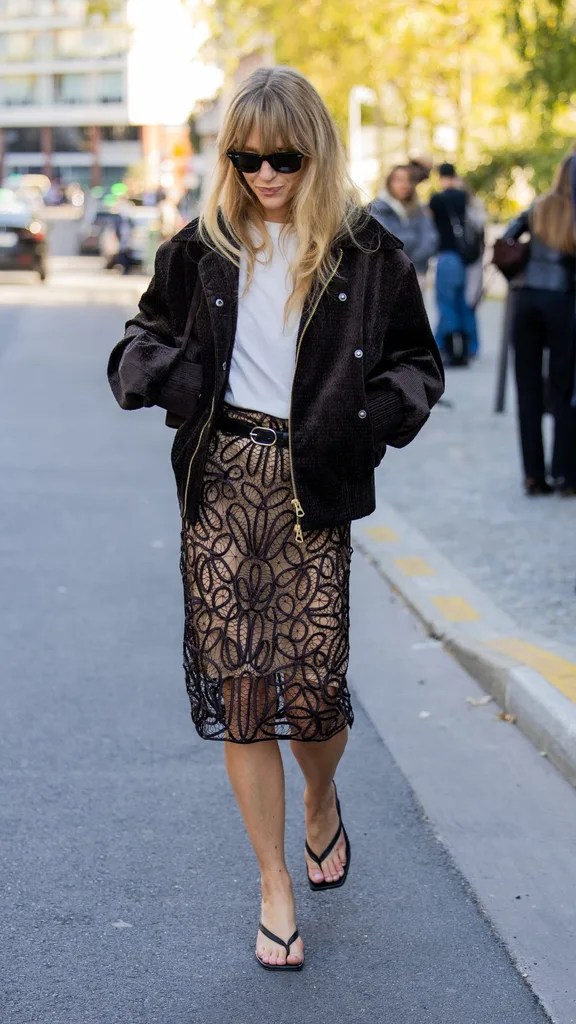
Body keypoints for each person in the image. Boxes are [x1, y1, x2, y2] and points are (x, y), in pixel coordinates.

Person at [107, 66, 444, 971]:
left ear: (316, 152)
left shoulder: (368, 255)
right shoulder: (200, 248)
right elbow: (140, 341)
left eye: (284, 158)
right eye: (247, 158)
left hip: (313, 487)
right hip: (221, 483)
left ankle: (321, 798)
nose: (264, 176)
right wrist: (175, 384)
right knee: (246, 695)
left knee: (313, 694)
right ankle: (272, 885)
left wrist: (358, 424)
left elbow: (418, 366)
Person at [502, 154, 576, 496]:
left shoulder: (540, 206)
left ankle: (533, 476)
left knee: (527, 389)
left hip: (526, 299)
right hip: (563, 302)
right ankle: (564, 473)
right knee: (564, 389)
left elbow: (508, 237)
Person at [429, 162, 484, 365]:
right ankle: (471, 346)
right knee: (466, 303)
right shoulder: (467, 198)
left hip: (447, 256)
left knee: (446, 304)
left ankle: (449, 347)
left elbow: (430, 227)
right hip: (468, 258)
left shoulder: (437, 199)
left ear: (441, 177)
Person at [369, 165, 438, 291]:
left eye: (407, 180)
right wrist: (410, 242)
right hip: (389, 275)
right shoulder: (378, 209)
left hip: (417, 271)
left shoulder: (419, 209)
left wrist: (413, 258)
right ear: (389, 182)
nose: (404, 184)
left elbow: (430, 238)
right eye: (399, 180)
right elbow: (385, 240)